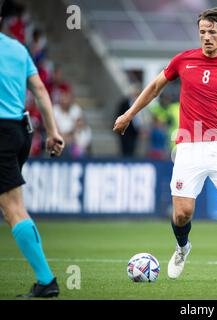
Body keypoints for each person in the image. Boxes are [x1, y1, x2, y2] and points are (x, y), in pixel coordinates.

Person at [113, 7, 217, 284]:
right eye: (202, 32)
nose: (206, 37)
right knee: (182, 214)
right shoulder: (184, 60)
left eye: (211, 32)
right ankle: (183, 248)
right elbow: (154, 87)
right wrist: (129, 114)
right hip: (188, 146)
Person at [0, 0, 65, 298]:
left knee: (13, 209)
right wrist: (52, 132)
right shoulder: (16, 49)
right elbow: (39, 89)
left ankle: (47, 281)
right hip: (19, 131)